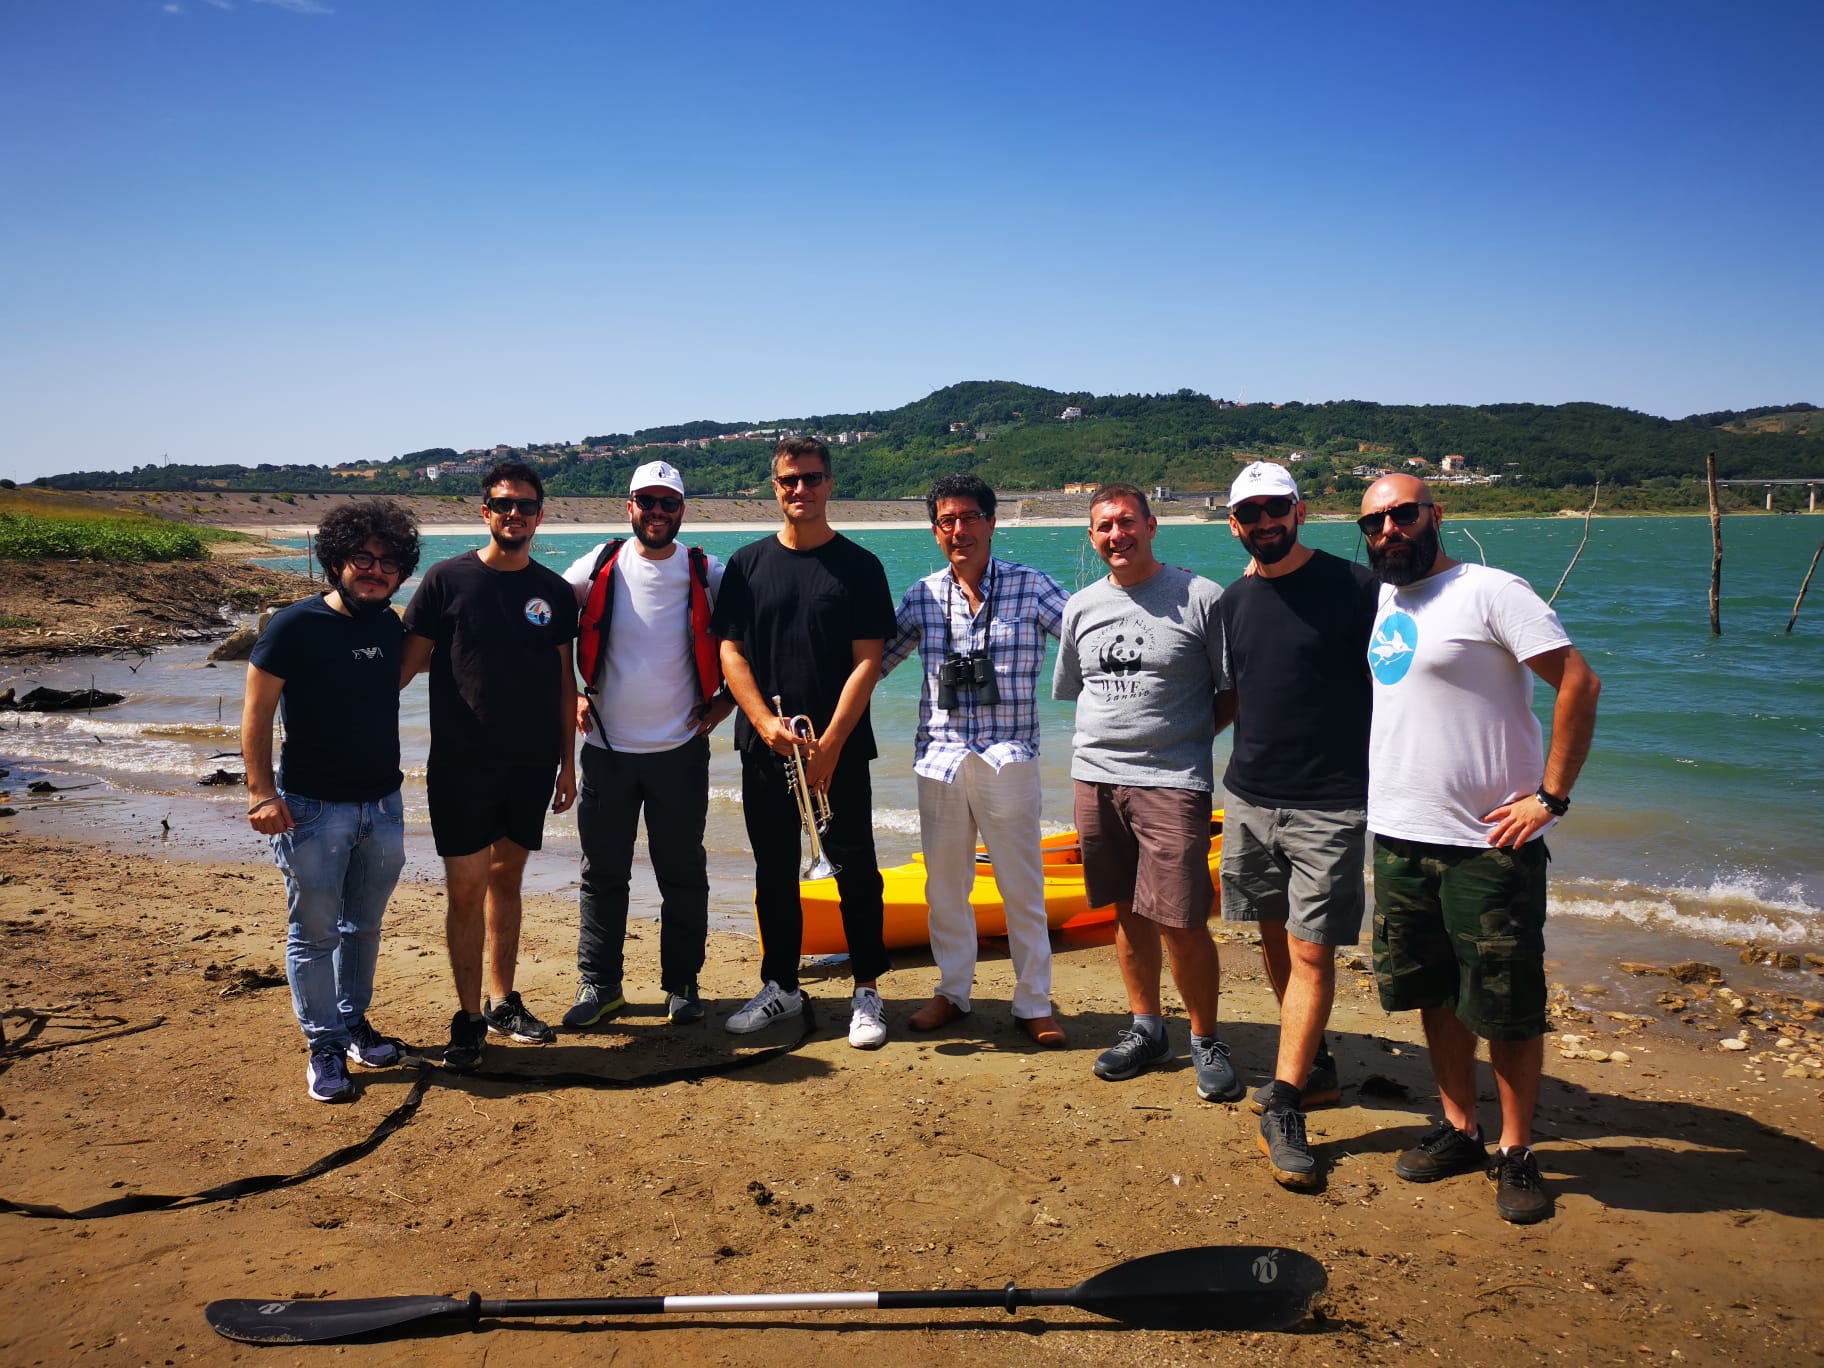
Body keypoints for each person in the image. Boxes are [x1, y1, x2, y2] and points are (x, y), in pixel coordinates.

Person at [1359, 473, 1601, 1224]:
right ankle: (1461, 1128)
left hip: (1485, 844)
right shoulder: (1387, 599)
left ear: (1436, 515)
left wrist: (1550, 797)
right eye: (1373, 523)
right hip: (1401, 836)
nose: (1389, 531)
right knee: (1435, 992)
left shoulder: (1492, 590)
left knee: (1506, 1003)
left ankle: (1517, 1150)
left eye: (1402, 515)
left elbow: (1579, 684)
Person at [1214, 462, 1379, 1191]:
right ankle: (1311, 1071)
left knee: (1313, 955)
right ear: (1234, 523)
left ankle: (1283, 1107)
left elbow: (1405, 683)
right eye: (1251, 513)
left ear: (1300, 509)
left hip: (1329, 802)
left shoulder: (1358, 588)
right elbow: (1236, 696)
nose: (1265, 522)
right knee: (1274, 938)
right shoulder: (1234, 602)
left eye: (1276, 508)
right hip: (1249, 798)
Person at [1053, 482, 1239, 1101]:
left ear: (1152, 525)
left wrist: (1184, 739)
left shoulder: (1200, 598)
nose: (1117, 535)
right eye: (1104, 527)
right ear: (1091, 535)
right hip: (1096, 780)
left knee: (1182, 918)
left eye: (1127, 523)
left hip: (1172, 783)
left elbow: (1230, 691)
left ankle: (1206, 1036)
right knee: (1125, 911)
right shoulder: (1080, 607)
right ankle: (1145, 1027)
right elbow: (1082, 690)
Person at [711, 436, 897, 1049]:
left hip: (838, 746)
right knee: (773, 870)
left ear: (829, 484)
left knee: (857, 871)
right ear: (775, 486)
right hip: (767, 746)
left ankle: (867, 989)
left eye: (812, 479)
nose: (801, 490)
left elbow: (868, 661)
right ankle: (781, 986)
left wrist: (833, 743)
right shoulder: (747, 564)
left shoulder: (861, 566)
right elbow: (730, 650)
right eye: (790, 480)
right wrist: (765, 723)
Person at [400, 460, 580, 1072]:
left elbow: (565, 684)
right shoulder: (446, 581)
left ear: (539, 515)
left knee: (508, 880)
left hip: (530, 764)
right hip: (459, 764)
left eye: (525, 506)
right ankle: (469, 1016)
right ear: (485, 511)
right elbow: (402, 669)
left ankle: (504, 1002)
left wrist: (568, 765)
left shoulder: (554, 593)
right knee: (467, 887)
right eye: (503, 504)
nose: (514, 514)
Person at [880, 473, 1071, 1048]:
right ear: (935, 530)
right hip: (939, 758)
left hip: (1008, 758)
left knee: (1021, 884)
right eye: (946, 521)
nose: (957, 530)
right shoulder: (922, 594)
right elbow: (876, 662)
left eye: (968, 517)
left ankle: (1034, 1001)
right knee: (944, 887)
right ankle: (952, 991)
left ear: (992, 521)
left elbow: (1088, 636)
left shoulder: (1030, 587)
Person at [242, 500, 421, 1103]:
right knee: (314, 932)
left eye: (388, 562)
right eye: (362, 558)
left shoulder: (389, 626)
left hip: (384, 804)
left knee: (364, 927)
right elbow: (257, 711)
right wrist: (261, 793)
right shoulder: (294, 625)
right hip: (313, 808)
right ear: (336, 559)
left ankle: (351, 1024)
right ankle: (323, 1044)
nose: (375, 570)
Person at [559, 460, 734, 1029]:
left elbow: (749, 638)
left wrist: (728, 699)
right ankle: (601, 985)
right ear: (628, 506)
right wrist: (571, 695)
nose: (657, 513)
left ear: (683, 510)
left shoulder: (707, 570)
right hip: (608, 751)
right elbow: (549, 624)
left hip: (681, 751)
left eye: (669, 503)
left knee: (682, 872)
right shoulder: (600, 562)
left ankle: (682, 985)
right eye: (647, 502)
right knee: (602, 874)